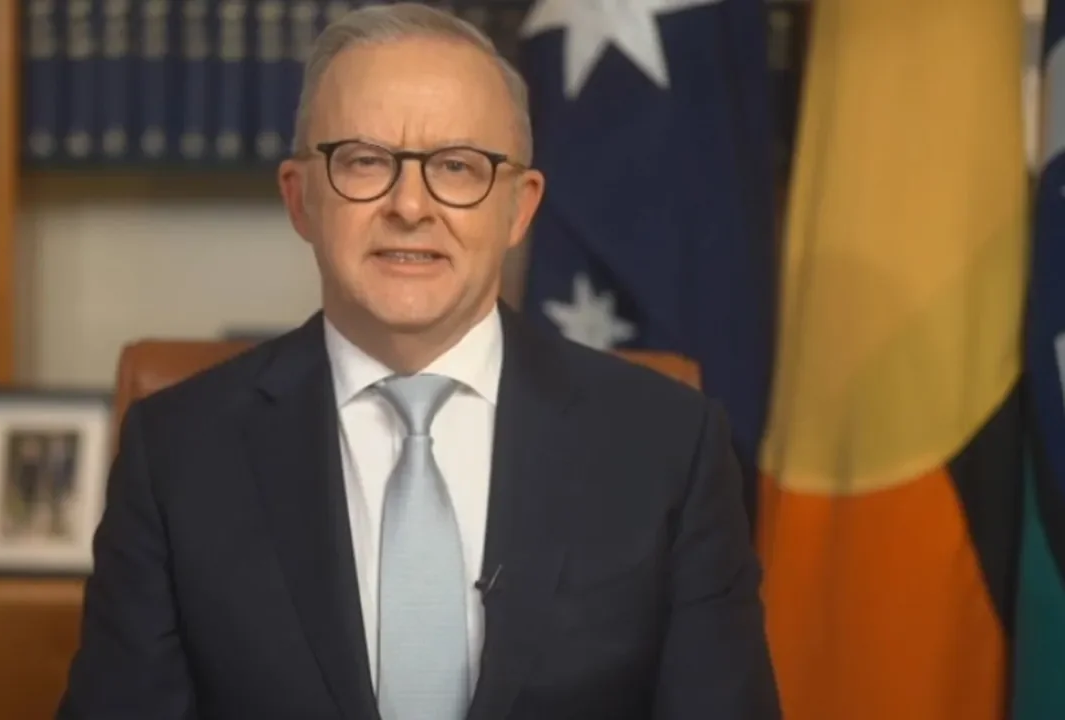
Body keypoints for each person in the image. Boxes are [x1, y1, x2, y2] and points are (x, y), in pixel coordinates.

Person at [57, 3, 779, 719]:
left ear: (520, 208)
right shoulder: (177, 455)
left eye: (457, 167)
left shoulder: (666, 451)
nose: (410, 206)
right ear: (299, 199)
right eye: (365, 161)